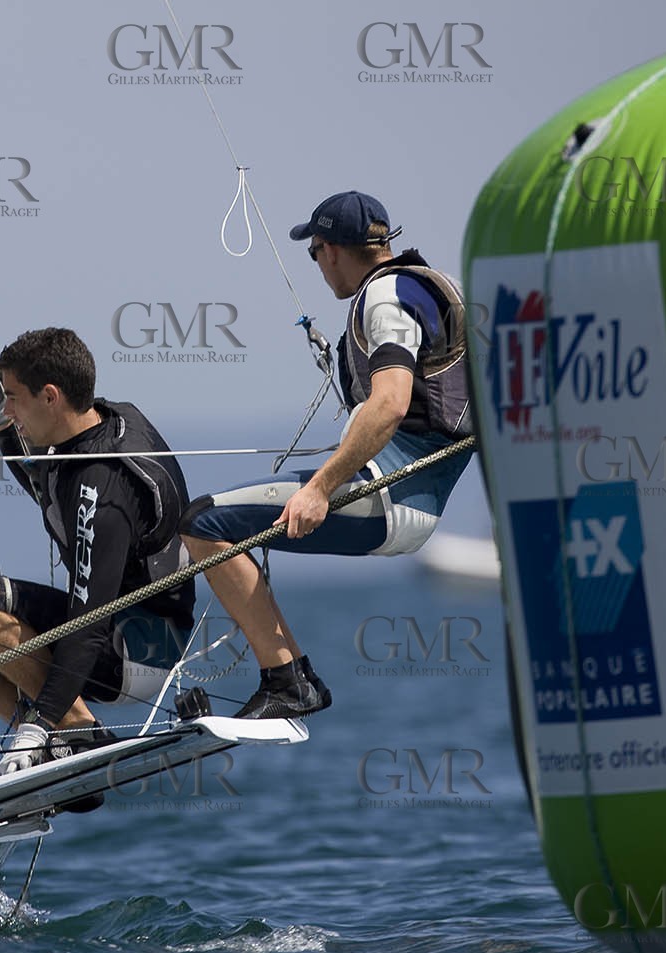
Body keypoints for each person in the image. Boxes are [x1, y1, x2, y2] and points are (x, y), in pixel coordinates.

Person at [180, 191, 474, 719]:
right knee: (214, 523)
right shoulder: (433, 288)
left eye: (314, 252)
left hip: (386, 491)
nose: (317, 265)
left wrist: (319, 489)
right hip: (418, 497)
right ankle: (290, 679)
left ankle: (287, 681)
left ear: (332, 249)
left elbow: (390, 404)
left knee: (203, 523)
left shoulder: (386, 298)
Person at [0, 327, 195, 777]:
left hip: (137, 649)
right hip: (109, 632)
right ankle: (66, 750)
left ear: (50, 396)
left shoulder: (102, 486)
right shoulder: (102, 423)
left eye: (13, 397)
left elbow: (90, 625)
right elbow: (48, 488)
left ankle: (77, 736)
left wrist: (39, 723)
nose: (11, 409)